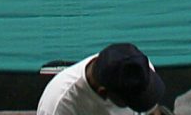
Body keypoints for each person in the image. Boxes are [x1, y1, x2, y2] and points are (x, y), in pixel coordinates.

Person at [36, 41, 167, 115]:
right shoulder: (59, 105)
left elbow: (151, 109)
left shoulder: (139, 68)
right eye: (130, 102)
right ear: (102, 92)